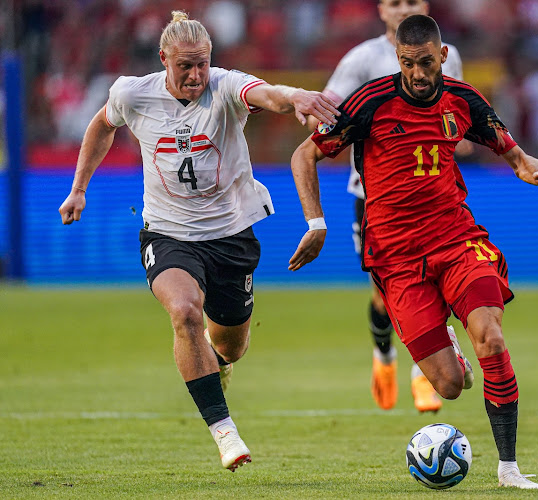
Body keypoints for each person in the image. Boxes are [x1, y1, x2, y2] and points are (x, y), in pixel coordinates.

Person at [288, 15, 538, 490]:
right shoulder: (370, 103)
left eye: (426, 63)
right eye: (408, 63)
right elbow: (305, 155)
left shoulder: (464, 99)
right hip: (397, 259)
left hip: (456, 240)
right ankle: (446, 347)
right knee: (450, 386)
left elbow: (513, 152)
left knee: (492, 340)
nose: (418, 74)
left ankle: (509, 470)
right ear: (399, 59)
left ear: (442, 56)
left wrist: (530, 169)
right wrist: (317, 223)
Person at [58, 10, 339, 472]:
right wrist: (79, 188)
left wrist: (297, 98)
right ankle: (226, 434)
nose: (195, 75)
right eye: (185, 65)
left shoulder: (225, 87)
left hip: (230, 234)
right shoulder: (132, 93)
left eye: (202, 64)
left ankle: (217, 361)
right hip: (168, 233)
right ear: (163, 58)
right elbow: (101, 126)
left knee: (230, 347)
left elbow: (267, 93)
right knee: (185, 312)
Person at [311, 0, 470, 414]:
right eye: (395, 2)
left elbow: (458, 114)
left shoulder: (445, 55)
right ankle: (384, 354)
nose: (404, 9)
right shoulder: (362, 59)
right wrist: (325, 119)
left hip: (435, 197)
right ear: (381, 10)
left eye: (412, 2)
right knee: (387, 296)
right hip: (375, 200)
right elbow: (325, 109)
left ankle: (424, 373)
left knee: (442, 282)